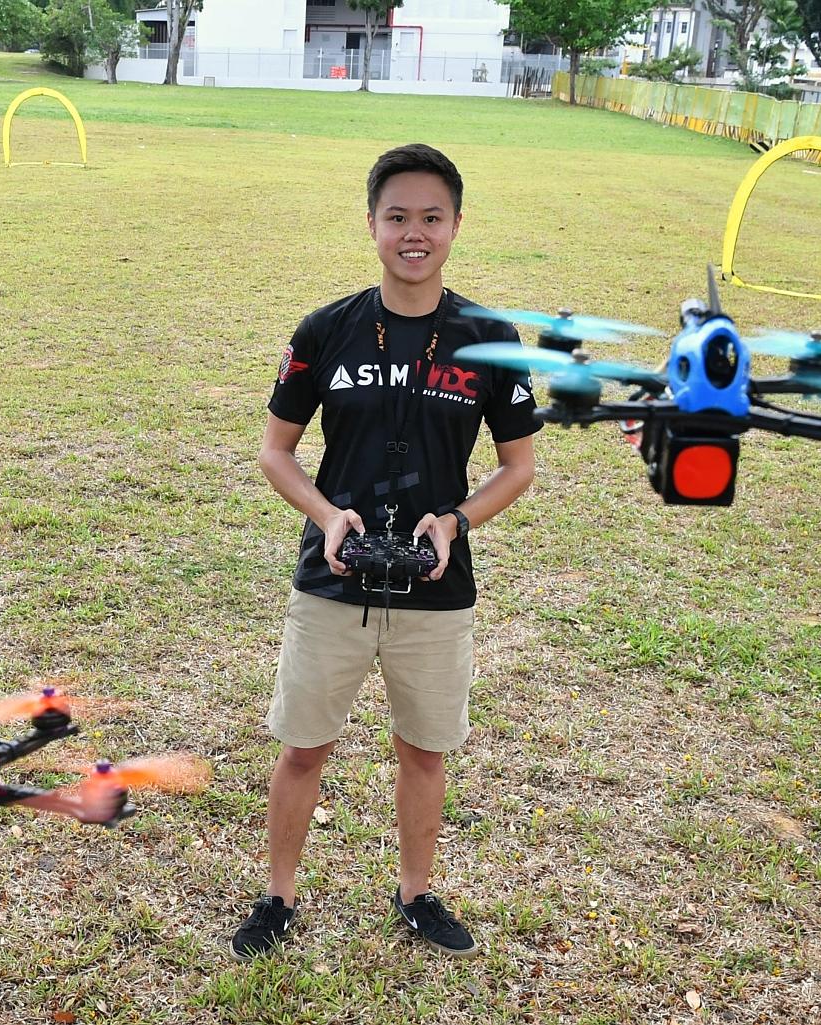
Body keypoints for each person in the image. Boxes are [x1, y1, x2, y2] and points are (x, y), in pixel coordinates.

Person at [235, 145, 541, 959]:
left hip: (437, 592)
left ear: (456, 226)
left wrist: (455, 521)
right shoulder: (325, 330)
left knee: (424, 750)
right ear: (372, 224)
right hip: (331, 583)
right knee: (304, 747)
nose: (415, 233)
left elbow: (519, 467)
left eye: (431, 217)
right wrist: (328, 514)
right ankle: (279, 897)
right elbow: (276, 452)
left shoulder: (488, 339)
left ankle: (415, 894)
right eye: (397, 216)